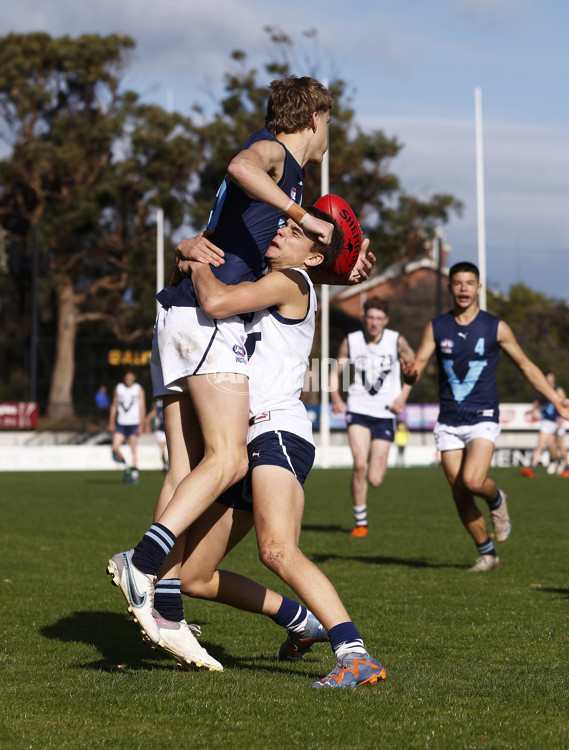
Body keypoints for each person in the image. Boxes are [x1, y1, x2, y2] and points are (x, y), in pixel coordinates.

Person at [107, 76, 342, 647]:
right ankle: (140, 565)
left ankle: (164, 608)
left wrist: (187, 250)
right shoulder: (277, 153)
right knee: (230, 460)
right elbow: (242, 166)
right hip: (204, 319)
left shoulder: (284, 177)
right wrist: (304, 215)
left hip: (179, 310)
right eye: (330, 119)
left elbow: (265, 253)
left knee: (186, 469)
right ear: (314, 117)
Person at [173, 210, 385, 687]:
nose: (283, 228)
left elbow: (214, 300)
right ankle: (300, 622)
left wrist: (195, 256)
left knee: (278, 550)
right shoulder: (280, 278)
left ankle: (355, 653)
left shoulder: (291, 279)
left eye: (297, 232)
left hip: (277, 433)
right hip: (245, 442)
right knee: (194, 576)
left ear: (312, 257)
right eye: (286, 224)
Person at [401, 261, 569, 572]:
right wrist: (410, 373)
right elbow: (418, 363)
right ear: (449, 287)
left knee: (473, 481)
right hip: (449, 421)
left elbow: (526, 366)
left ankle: (497, 498)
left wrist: (558, 400)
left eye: (469, 283)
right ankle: (487, 554)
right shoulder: (436, 327)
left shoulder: (495, 327)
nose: (463, 288)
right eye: (457, 283)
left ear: (479, 288)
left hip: (483, 416)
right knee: (459, 493)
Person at [330, 297, 414, 537]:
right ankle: (360, 523)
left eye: (379, 319)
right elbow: (335, 372)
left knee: (375, 478)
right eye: (370, 318)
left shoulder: (397, 341)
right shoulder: (352, 341)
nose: (374, 323)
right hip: (358, 409)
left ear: (386, 320)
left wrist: (403, 397)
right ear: (364, 318)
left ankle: (363, 513)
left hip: (386, 412)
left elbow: (413, 370)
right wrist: (336, 398)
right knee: (359, 465)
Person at [520, 372, 569, 478]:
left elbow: (565, 404)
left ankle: (568, 468)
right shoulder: (542, 390)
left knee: (560, 446)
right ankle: (532, 468)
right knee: (540, 445)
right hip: (547, 421)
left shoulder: (558, 390)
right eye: (547, 378)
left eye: (551, 378)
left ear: (554, 379)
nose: (549, 380)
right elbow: (538, 402)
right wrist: (533, 410)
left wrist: (562, 420)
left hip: (558, 421)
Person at [108, 368, 146, 484]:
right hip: (121, 423)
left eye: (131, 377)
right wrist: (111, 422)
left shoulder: (138, 389)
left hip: (134, 423)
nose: (129, 379)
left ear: (134, 377)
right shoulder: (119, 388)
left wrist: (141, 425)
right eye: (127, 377)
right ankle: (127, 466)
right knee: (115, 447)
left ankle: (135, 472)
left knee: (133, 448)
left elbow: (142, 407)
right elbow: (114, 406)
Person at [145, 398, 168, 472]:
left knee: (168, 450)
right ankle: (165, 465)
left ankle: (167, 465)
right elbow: (148, 418)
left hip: (168, 430)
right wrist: (147, 426)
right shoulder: (157, 409)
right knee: (163, 450)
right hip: (160, 431)